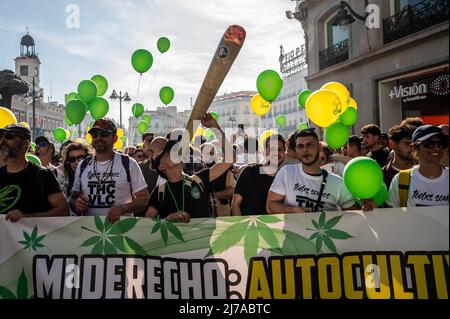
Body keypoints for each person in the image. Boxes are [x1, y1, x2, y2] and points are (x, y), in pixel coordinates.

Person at [145, 113, 236, 222]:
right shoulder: (159, 192)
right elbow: (146, 225)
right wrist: (167, 220)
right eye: (168, 153)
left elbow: (230, 158)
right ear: (161, 166)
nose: (175, 152)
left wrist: (215, 128)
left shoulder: (199, 180)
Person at [70, 119, 150, 224]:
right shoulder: (83, 165)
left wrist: (123, 208)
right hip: (91, 231)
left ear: (115, 138)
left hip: (121, 231)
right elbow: (73, 198)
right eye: (94, 135)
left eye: (104, 134)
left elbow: (144, 198)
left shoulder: (128, 163)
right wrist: (76, 204)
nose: (98, 138)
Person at [266, 128, 365, 214]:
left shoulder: (338, 183)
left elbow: (355, 215)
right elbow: (270, 206)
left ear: (319, 147)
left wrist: (368, 207)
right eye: (300, 146)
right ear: (296, 149)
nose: (305, 150)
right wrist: (292, 210)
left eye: (309, 145)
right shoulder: (286, 173)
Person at [0, 124, 68, 221]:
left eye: (9, 136)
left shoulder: (43, 175)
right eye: (1, 136)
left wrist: (28, 217)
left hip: (30, 236)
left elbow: (63, 210)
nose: (3, 141)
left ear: (25, 143)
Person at [386, 125, 449, 207]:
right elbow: (391, 216)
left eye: (441, 143)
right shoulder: (401, 179)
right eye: (429, 144)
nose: (436, 148)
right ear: (414, 148)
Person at [232, 134, 285, 215]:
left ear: (284, 151)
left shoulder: (286, 177)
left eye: (280, 149)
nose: (276, 153)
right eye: (272, 149)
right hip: (248, 226)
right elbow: (236, 203)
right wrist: (241, 226)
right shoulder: (250, 171)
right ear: (266, 151)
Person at [201, 142, 235, 216]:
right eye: (206, 153)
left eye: (211, 152)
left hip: (223, 215)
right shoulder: (198, 171)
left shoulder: (224, 170)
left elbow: (232, 190)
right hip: (204, 216)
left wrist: (212, 196)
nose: (210, 155)